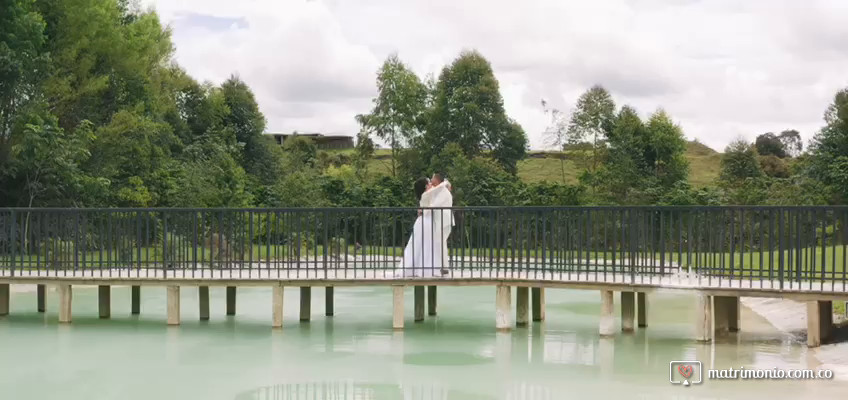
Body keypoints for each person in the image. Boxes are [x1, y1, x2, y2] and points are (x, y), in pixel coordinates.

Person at [393, 176, 451, 278]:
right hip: (426, 221)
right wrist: (445, 183)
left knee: (426, 244)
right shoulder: (426, 194)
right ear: (425, 186)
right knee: (425, 244)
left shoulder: (427, 193)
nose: (431, 184)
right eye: (429, 183)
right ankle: (426, 268)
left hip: (426, 221)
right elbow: (440, 188)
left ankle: (426, 267)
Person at [429, 172, 454, 275]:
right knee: (440, 242)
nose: (431, 179)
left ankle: (443, 267)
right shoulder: (440, 190)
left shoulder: (443, 191)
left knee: (440, 242)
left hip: (444, 220)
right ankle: (442, 266)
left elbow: (435, 205)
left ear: (437, 180)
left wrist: (424, 209)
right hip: (442, 220)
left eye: (432, 178)